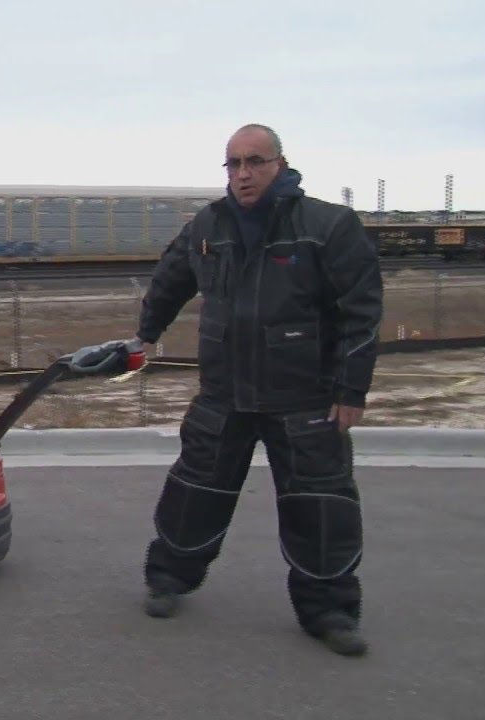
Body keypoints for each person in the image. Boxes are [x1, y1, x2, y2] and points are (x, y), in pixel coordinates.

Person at [123, 124, 383, 656]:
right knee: (194, 494)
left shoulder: (327, 226)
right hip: (224, 396)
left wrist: (351, 390)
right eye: (233, 164)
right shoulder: (208, 225)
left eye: (255, 162)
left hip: (305, 399)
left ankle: (330, 609)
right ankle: (169, 578)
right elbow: (171, 279)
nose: (243, 174)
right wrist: (145, 334)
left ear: (280, 164)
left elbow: (361, 313)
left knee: (321, 508)